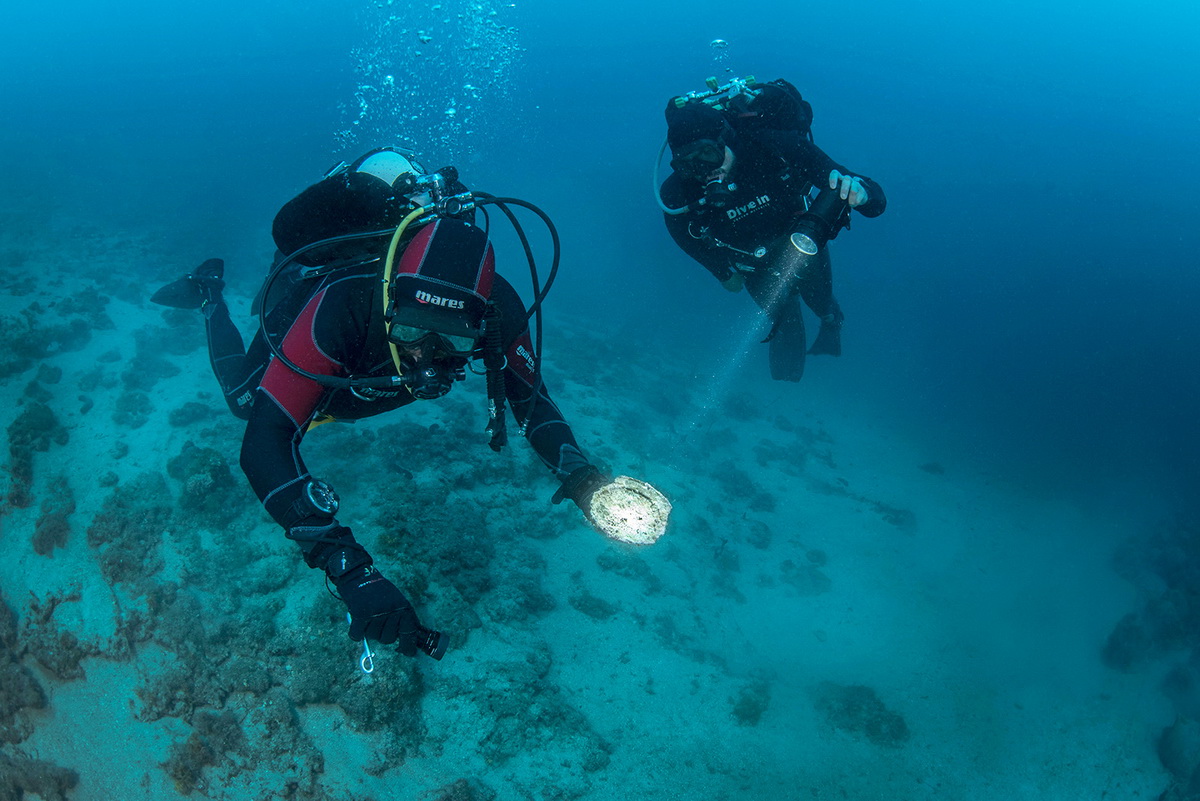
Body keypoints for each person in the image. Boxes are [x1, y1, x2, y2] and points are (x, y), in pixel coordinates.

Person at [152, 148, 667, 659]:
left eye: (453, 343)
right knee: (245, 401)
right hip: (320, 332)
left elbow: (532, 402)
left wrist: (581, 479)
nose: (427, 358)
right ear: (390, 301)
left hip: (360, 385)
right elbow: (264, 442)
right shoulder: (343, 302)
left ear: (479, 322)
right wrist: (349, 568)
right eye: (412, 330)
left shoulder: (497, 308)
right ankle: (207, 292)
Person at [656, 76, 887, 382]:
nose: (705, 170)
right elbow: (682, 233)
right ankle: (788, 385)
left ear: (726, 137)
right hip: (750, 264)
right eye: (689, 164)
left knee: (819, 301)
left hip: (802, 244)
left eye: (708, 155)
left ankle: (831, 322)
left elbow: (875, 199)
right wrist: (722, 272)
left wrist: (862, 193)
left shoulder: (776, 147)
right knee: (781, 316)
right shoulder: (677, 192)